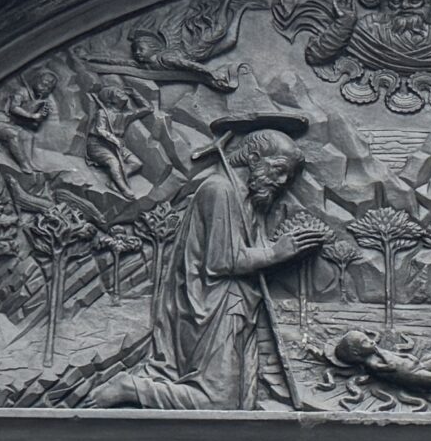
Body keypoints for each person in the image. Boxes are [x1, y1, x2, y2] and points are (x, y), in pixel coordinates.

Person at [99, 103, 325, 410]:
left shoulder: (251, 200)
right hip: (211, 309)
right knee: (219, 403)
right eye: (279, 170)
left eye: (290, 175)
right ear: (254, 159)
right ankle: (132, 388)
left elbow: (249, 253)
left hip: (237, 308)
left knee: (243, 404)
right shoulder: (219, 190)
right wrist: (276, 252)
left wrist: (283, 249)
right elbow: (222, 261)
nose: (284, 181)